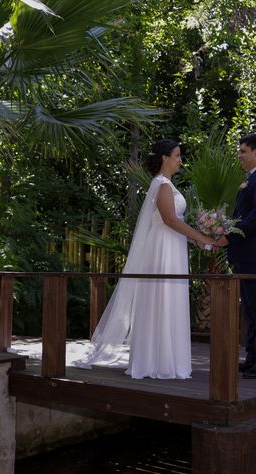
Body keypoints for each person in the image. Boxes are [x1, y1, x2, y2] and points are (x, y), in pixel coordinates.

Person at [75, 139, 215, 379]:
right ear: (164, 158)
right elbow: (170, 220)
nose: (180, 160)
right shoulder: (161, 184)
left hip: (173, 246)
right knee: (161, 297)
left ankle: (168, 360)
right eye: (177, 155)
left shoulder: (167, 184)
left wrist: (198, 239)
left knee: (170, 298)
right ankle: (155, 361)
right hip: (162, 251)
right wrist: (202, 237)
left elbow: (175, 224)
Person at [216, 133, 256, 379]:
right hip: (245, 255)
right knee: (250, 310)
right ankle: (252, 358)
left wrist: (229, 235)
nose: (239, 155)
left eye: (243, 151)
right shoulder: (253, 179)